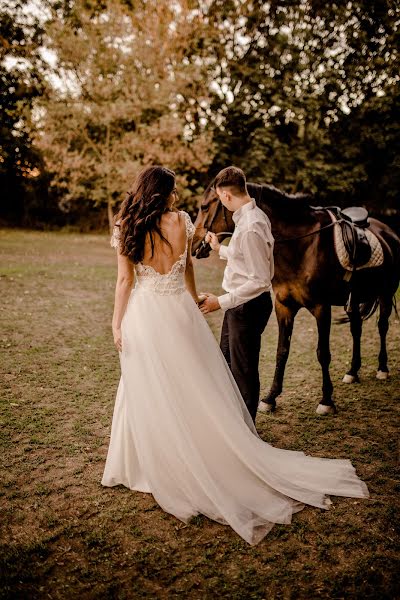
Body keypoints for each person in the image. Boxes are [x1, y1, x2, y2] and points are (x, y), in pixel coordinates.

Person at [101, 165, 369, 546]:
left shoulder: (126, 224)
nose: (177, 195)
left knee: (145, 383)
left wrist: (116, 323)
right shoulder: (182, 221)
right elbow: (188, 266)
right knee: (194, 381)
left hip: (144, 313)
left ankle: (143, 462)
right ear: (167, 192)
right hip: (179, 309)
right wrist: (191, 300)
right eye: (175, 189)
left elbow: (125, 280)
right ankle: (198, 446)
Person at [200, 166, 273, 423]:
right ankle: (234, 423)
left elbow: (260, 279)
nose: (221, 202)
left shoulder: (251, 226)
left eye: (220, 198)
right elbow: (245, 257)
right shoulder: (250, 219)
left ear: (227, 196)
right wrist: (219, 249)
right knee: (228, 365)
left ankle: (247, 429)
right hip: (239, 304)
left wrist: (220, 301)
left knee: (243, 371)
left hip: (247, 306)